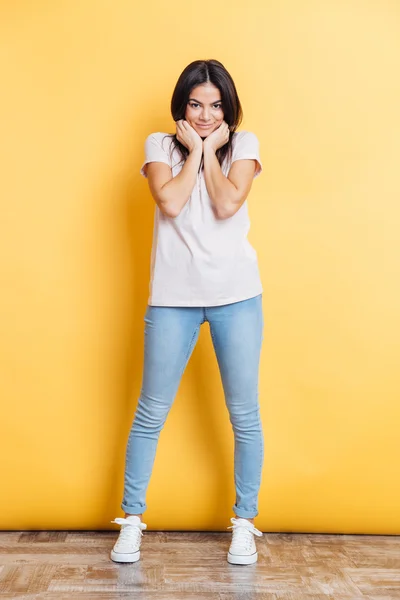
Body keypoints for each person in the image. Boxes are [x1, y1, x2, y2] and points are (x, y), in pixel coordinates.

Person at [110, 59, 265, 566]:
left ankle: (243, 522)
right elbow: (172, 202)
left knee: (243, 414)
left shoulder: (245, 145)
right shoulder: (160, 145)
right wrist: (197, 150)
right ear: (182, 106)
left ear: (228, 107)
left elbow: (225, 205)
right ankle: (131, 521)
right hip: (173, 297)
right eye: (196, 104)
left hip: (237, 295)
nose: (204, 114)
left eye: (215, 105)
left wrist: (213, 152)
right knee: (150, 411)